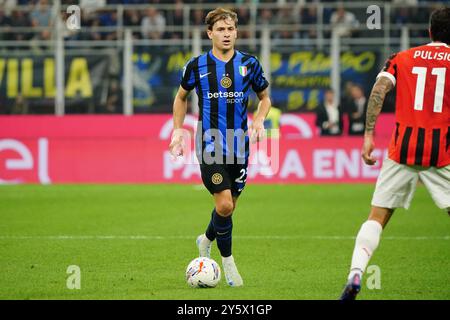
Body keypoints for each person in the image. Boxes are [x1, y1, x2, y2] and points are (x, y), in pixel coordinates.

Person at [340, 7, 450, 300]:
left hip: (401, 148)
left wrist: (367, 135)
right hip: (442, 151)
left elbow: (379, 89)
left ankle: (355, 273)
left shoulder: (402, 58)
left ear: (429, 32)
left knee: (377, 216)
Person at [169, 7, 271, 287]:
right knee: (224, 205)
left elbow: (265, 98)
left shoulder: (249, 64)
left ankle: (206, 239)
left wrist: (260, 120)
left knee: (228, 208)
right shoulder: (196, 65)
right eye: (221, 30)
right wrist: (178, 130)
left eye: (230, 29)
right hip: (209, 143)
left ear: (236, 32)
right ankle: (228, 265)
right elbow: (181, 98)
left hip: (240, 145)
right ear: (210, 33)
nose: (226, 34)